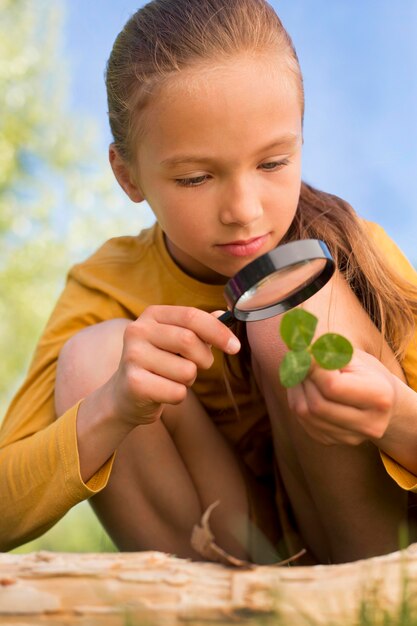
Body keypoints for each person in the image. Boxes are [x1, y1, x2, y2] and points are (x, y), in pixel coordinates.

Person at [1, 0, 417, 564]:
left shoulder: (353, 248)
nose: (244, 211)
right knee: (97, 357)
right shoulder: (108, 285)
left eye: (273, 164)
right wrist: (116, 406)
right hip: (235, 565)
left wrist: (397, 418)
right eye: (196, 178)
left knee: (290, 308)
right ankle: (221, 609)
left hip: (372, 552)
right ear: (128, 175)